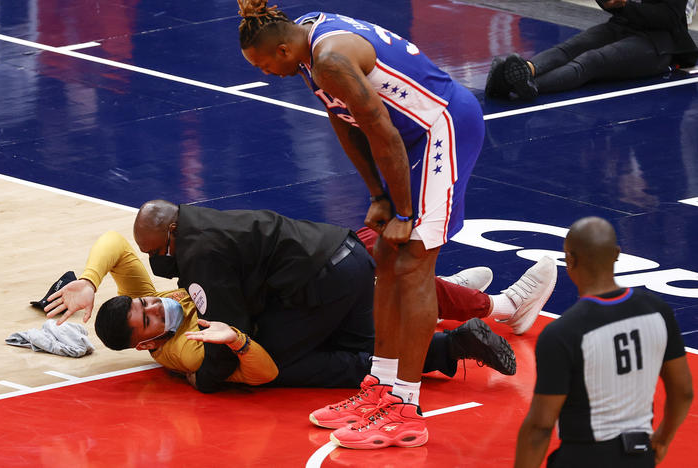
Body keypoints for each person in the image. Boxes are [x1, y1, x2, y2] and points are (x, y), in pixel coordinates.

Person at [234, 1, 558, 449]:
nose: (264, 72)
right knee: (386, 258)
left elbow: (382, 131)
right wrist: (378, 197)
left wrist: (404, 214)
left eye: (264, 63)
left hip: (439, 130)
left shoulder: (329, 59)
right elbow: (345, 123)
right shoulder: (307, 51)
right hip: (404, 139)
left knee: (413, 268)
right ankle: (380, 387)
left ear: (284, 48)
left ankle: (406, 407)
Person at [44, 201, 554, 392]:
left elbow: (115, 246)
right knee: (366, 303)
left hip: (321, 280)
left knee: (313, 361)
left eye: (148, 299)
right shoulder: (177, 347)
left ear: (171, 233)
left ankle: (471, 323)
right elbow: (250, 356)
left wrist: (90, 279)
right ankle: (452, 323)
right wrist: (207, 370)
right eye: (150, 315)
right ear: (145, 345)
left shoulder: (198, 262)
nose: (156, 300)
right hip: (335, 255)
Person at [514, 217, 693, 468]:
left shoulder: (563, 332)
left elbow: (540, 427)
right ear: (617, 255)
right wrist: (663, 437)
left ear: (570, 261)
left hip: (584, 458)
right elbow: (683, 391)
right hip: (640, 456)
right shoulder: (658, 311)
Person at [486, 0, 698, 100]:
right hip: (624, 24)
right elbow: (614, 5)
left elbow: (669, 18)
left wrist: (624, 6)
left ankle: (524, 86)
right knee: (570, 47)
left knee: (591, 61)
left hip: (658, 43)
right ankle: (527, 69)